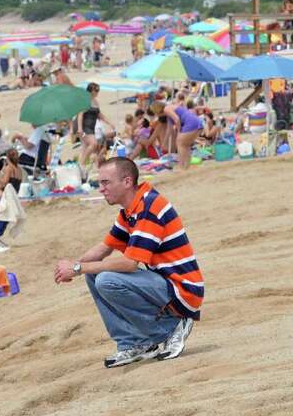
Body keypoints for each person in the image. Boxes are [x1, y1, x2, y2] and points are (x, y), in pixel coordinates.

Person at [53, 157, 202, 367]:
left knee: (106, 280)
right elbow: (103, 249)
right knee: (94, 274)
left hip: (183, 288)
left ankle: (171, 327)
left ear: (127, 182)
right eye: (99, 183)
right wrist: (72, 267)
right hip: (163, 282)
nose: (101, 188)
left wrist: (77, 268)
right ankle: (133, 343)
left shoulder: (149, 206)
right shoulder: (130, 209)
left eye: (106, 182)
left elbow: (130, 264)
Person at [77, 83, 114, 173]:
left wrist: (110, 123)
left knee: (85, 148)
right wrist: (80, 128)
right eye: (96, 90)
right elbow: (80, 115)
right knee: (93, 144)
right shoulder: (85, 101)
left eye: (98, 90)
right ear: (91, 90)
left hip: (91, 128)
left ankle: (80, 168)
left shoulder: (95, 102)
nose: (98, 92)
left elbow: (100, 115)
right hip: (85, 127)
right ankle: (81, 164)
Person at [164, 97, 204, 171]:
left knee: (180, 143)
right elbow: (169, 130)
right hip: (196, 121)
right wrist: (165, 143)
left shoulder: (166, 109)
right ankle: (186, 166)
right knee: (186, 145)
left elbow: (177, 119)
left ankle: (182, 166)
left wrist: (179, 132)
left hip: (190, 123)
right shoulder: (169, 112)